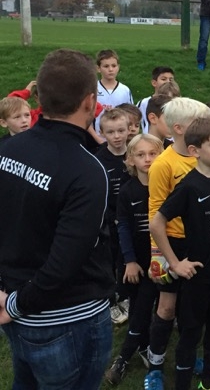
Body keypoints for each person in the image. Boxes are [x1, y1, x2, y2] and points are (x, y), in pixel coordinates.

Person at [0, 49, 113, 389]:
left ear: (40, 98)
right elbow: (66, 261)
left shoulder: (8, 149)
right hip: (66, 318)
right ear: (90, 102)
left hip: (16, 305)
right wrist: (17, 305)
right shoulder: (87, 170)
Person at [150, 117, 210, 390]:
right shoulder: (190, 186)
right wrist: (175, 263)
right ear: (195, 151)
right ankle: (183, 384)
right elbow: (157, 223)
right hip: (197, 278)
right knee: (190, 334)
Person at [144, 98, 210, 389]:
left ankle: (188, 354)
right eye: (200, 123)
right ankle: (155, 365)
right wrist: (159, 255)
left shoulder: (205, 157)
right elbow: (155, 211)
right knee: (167, 308)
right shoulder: (163, 164)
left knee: (194, 307)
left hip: (200, 243)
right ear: (179, 128)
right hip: (171, 244)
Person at [105, 134, 163, 385]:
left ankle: (123, 358)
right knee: (140, 306)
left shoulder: (168, 186)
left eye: (153, 153)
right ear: (130, 159)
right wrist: (129, 261)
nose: (147, 159)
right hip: (137, 262)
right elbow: (124, 227)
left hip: (163, 260)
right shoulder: (128, 190)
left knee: (147, 309)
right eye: (141, 154)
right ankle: (142, 347)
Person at [95, 108, 132, 325]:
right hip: (109, 222)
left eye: (121, 130)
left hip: (133, 219)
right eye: (110, 132)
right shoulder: (98, 159)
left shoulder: (136, 153)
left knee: (128, 259)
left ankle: (126, 295)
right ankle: (109, 301)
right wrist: (112, 217)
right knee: (109, 261)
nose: (117, 136)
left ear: (129, 130)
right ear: (102, 133)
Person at [94, 49, 134, 134]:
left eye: (114, 66)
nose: (110, 69)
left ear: (118, 67)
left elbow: (131, 115)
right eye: (106, 66)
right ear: (98, 68)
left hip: (119, 136)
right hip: (97, 136)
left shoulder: (125, 90)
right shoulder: (93, 89)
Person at [137, 66, 176, 133]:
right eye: (164, 79)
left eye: (171, 80)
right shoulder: (144, 103)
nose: (168, 82)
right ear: (154, 83)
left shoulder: (177, 103)